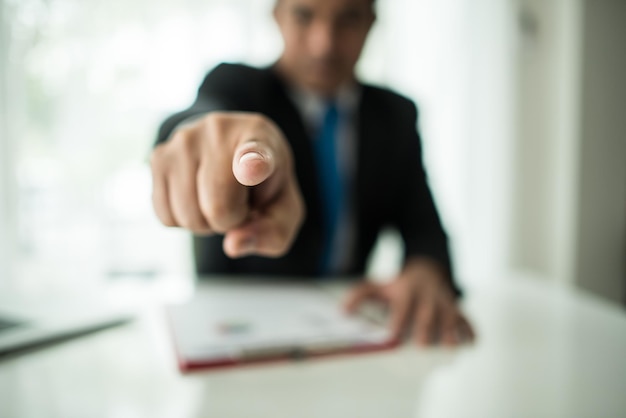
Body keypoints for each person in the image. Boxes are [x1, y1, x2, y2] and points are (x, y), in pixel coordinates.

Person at [151, 0, 474, 346]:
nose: (325, 43)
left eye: (348, 19)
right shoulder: (238, 86)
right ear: (277, 16)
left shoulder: (395, 116)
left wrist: (426, 270)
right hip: (237, 333)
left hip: (349, 331)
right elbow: (200, 119)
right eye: (304, 16)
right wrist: (199, 136)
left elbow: (425, 227)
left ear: (371, 23)